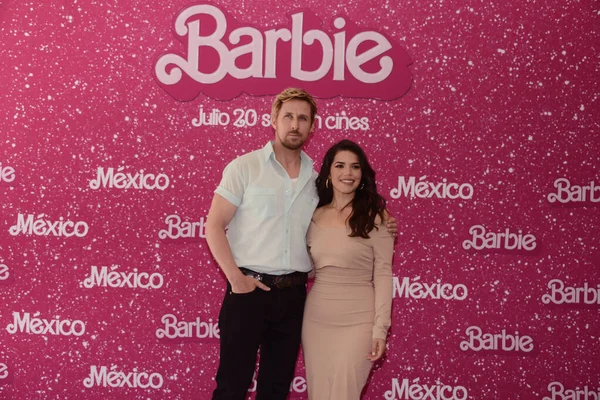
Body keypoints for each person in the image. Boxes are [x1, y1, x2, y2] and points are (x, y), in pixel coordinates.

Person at [205, 88, 396, 399]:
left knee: (276, 389)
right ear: (273, 120)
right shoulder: (244, 167)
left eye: (303, 118)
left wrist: (381, 212)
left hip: (293, 298)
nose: (295, 124)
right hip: (247, 292)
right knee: (231, 385)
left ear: (312, 126)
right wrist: (236, 280)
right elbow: (214, 225)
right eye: (288, 116)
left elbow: (346, 202)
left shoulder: (316, 178)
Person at [301, 139, 394, 400]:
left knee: (344, 394)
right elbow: (308, 268)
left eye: (355, 167)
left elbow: (384, 274)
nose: (348, 173)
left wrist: (380, 329)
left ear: (362, 174)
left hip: (359, 319)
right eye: (340, 165)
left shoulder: (376, 216)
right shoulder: (312, 216)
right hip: (317, 319)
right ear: (329, 172)